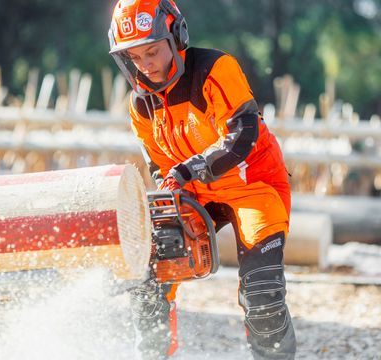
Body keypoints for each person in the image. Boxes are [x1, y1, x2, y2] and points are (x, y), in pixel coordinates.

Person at [108, 0, 296, 359]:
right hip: (195, 193)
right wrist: (170, 187)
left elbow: (243, 134)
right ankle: (153, 354)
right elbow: (160, 166)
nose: (146, 64)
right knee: (149, 277)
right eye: (135, 56)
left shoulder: (215, 69)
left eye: (152, 51)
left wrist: (188, 169)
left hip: (253, 186)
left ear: (176, 37)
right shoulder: (141, 105)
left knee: (262, 292)